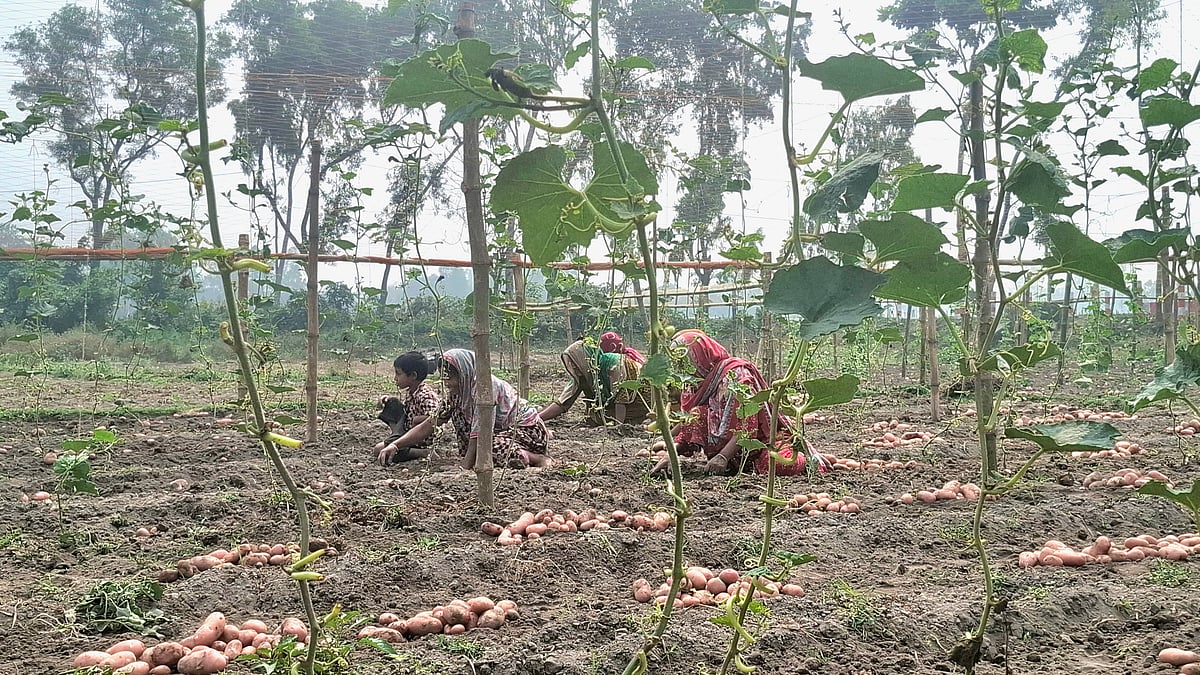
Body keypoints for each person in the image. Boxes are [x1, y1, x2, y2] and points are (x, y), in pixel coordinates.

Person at [651, 331, 823, 476]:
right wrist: (671, 453)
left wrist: (723, 457)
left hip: (760, 443)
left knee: (779, 463)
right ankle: (730, 461)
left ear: (699, 356)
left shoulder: (735, 375)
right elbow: (690, 420)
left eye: (686, 361)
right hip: (726, 449)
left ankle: (805, 459)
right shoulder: (693, 382)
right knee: (697, 413)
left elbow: (749, 424)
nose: (682, 369)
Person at [386, 349, 552, 469]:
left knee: (489, 450)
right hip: (499, 433)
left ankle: (536, 458)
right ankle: (474, 457)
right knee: (457, 413)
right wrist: (396, 445)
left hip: (526, 432)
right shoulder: (458, 393)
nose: (447, 383)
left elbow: (480, 430)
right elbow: (430, 423)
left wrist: (465, 466)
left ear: (464, 373)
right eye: (445, 378)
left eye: (450, 378)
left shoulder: (484, 387)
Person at [539, 338, 650, 426]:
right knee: (596, 416)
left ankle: (638, 418)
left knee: (599, 416)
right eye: (571, 362)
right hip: (617, 406)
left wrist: (618, 426)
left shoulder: (613, 363)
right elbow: (562, 403)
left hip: (642, 398)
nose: (573, 366)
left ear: (585, 358)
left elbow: (621, 398)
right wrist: (537, 418)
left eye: (575, 361)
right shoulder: (581, 376)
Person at [375, 352, 441, 465]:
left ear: (413, 376)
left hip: (419, 438)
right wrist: (387, 400)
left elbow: (437, 418)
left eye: (398, 374)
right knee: (392, 402)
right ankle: (397, 436)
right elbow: (407, 409)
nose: (395, 378)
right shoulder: (412, 391)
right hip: (407, 427)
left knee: (378, 449)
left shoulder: (425, 395)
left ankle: (422, 452)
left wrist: (417, 420)